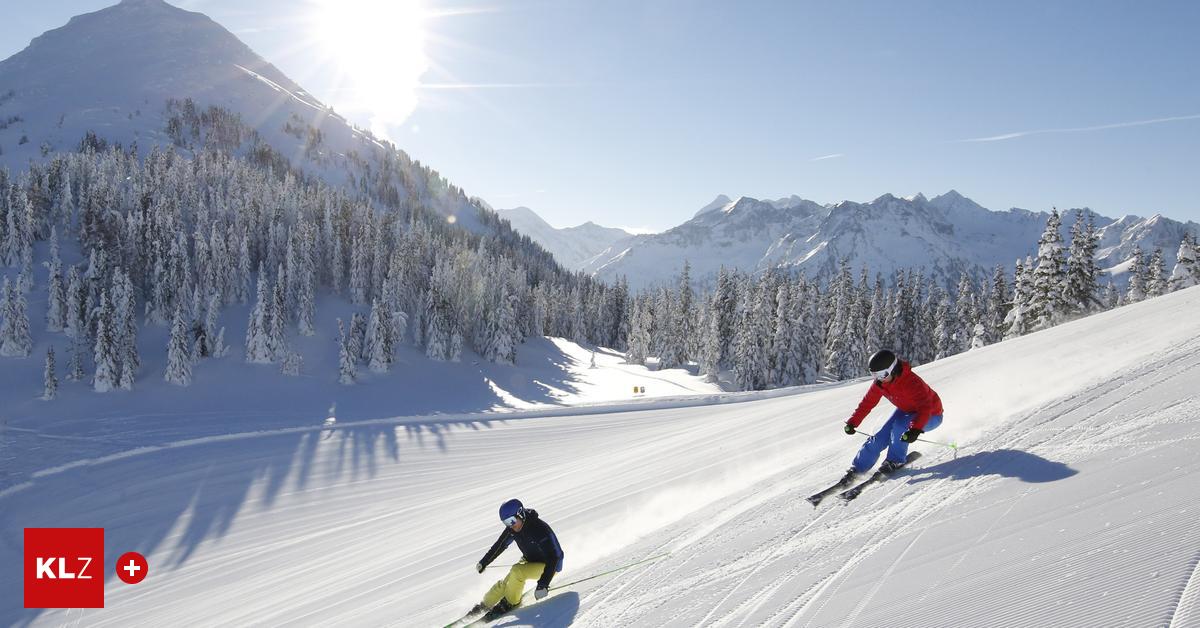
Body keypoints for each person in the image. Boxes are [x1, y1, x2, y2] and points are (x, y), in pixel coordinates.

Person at [843, 349, 944, 475]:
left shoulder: (911, 382)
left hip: (932, 414)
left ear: (893, 369)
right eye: (875, 375)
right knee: (880, 437)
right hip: (906, 411)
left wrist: (915, 429)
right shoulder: (880, 384)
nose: (879, 379)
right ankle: (859, 466)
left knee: (899, 427)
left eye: (882, 375)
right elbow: (867, 403)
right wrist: (853, 422)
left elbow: (925, 407)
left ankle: (895, 461)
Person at [468, 499, 564, 620]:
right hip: (531, 561)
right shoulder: (512, 529)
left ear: (520, 514)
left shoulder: (539, 528)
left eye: (512, 521)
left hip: (551, 566)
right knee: (505, 583)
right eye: (506, 522)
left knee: (517, 571)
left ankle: (511, 602)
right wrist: (484, 562)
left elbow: (554, 557)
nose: (511, 525)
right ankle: (485, 605)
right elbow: (500, 545)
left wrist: (543, 585)